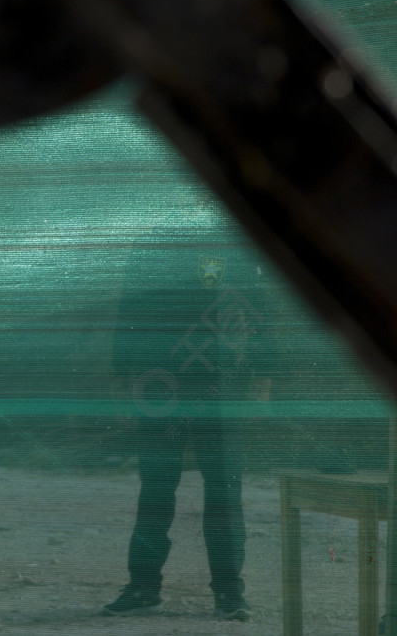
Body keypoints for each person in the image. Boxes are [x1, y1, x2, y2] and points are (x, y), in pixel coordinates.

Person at [102, 255, 270, 622]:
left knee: (225, 489)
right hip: (161, 382)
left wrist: (264, 373)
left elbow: (259, 303)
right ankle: (143, 586)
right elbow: (131, 307)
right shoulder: (153, 243)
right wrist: (121, 373)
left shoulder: (236, 236)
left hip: (220, 383)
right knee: (156, 489)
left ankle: (229, 591)